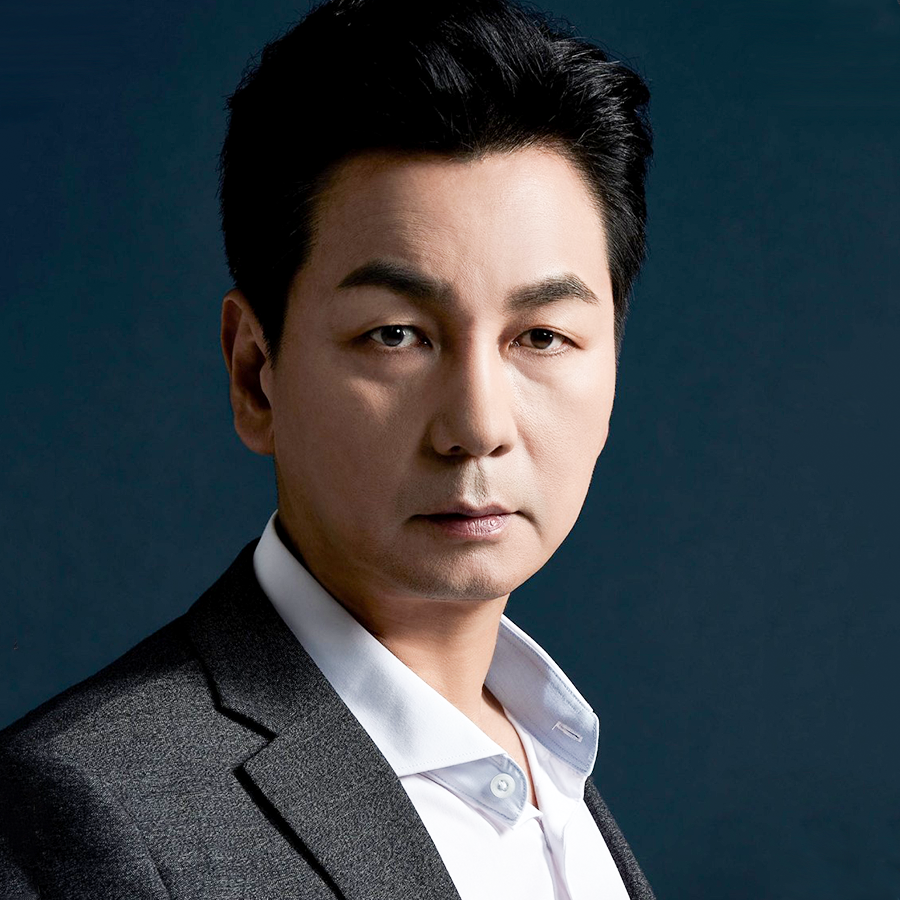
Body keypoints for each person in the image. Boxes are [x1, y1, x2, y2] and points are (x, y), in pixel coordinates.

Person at [0, 0, 654, 896]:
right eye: (396, 335)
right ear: (254, 373)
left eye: (541, 336)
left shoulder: (557, 757)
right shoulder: (84, 816)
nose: (478, 426)